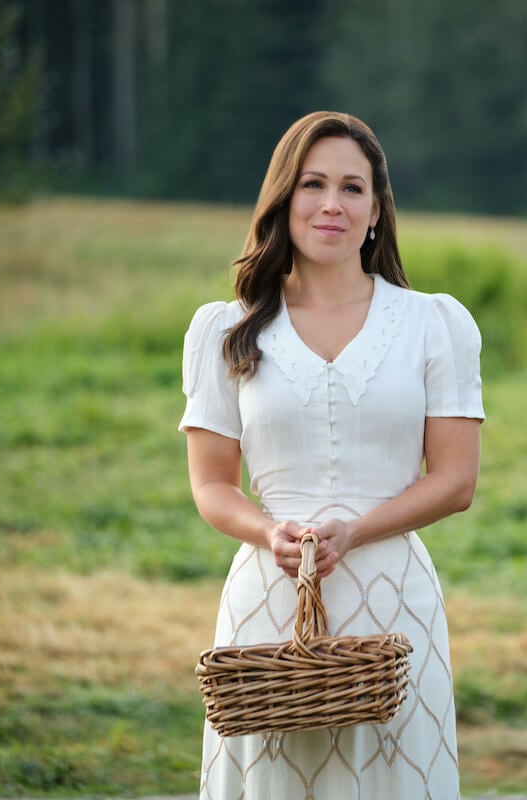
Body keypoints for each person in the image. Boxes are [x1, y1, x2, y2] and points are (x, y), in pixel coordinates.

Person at [179, 110, 483, 799]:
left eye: (353, 188)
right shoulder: (223, 330)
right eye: (313, 184)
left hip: (394, 599)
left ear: (376, 210)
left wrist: (358, 529)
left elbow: (457, 479)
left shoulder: (434, 323)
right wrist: (268, 532)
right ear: (284, 200)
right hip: (269, 601)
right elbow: (212, 485)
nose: (331, 205)